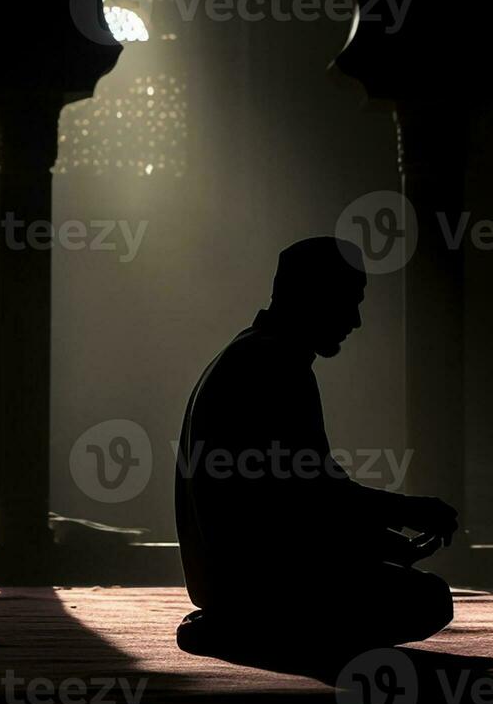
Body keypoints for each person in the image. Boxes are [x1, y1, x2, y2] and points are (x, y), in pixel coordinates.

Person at [174, 237, 458, 659]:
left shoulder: (244, 353)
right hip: (257, 582)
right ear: (313, 294)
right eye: (349, 300)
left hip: (225, 577)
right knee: (429, 598)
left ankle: (242, 624)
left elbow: (289, 499)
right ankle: (250, 629)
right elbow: (316, 497)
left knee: (401, 581)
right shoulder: (276, 366)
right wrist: (408, 511)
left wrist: (383, 541)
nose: (356, 319)